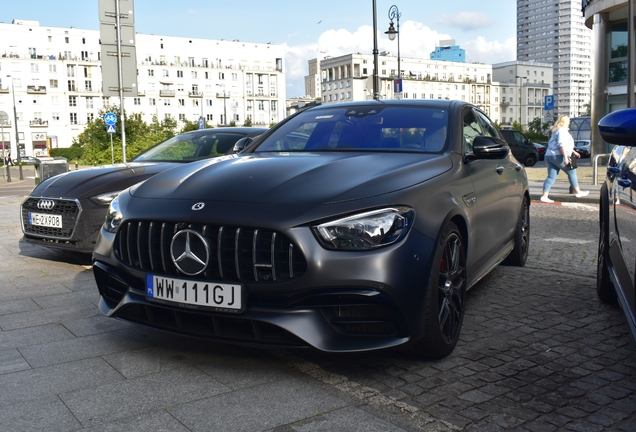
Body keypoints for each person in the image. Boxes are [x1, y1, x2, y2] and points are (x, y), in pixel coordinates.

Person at [540, 115, 589, 203]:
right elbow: (561, 144)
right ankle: (578, 192)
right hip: (560, 155)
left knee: (551, 177)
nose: (569, 122)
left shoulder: (556, 131)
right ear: (564, 121)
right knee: (572, 171)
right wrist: (566, 157)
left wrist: (574, 152)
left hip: (549, 155)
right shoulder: (562, 130)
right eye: (568, 121)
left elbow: (565, 145)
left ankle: (544, 196)